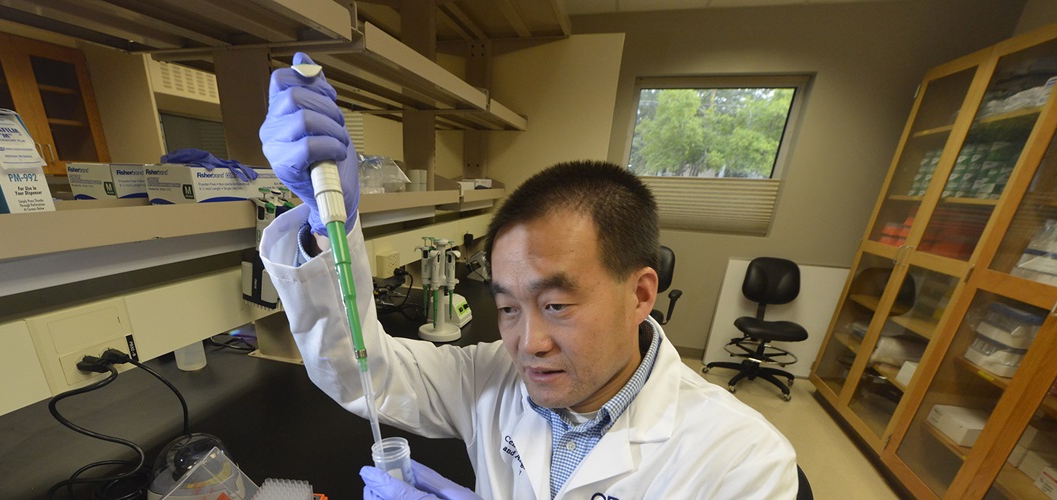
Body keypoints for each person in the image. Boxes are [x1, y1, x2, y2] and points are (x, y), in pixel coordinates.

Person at [259, 52, 799, 499]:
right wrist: (327, 227)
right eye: (509, 308)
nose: (526, 344)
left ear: (639, 294)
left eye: (557, 306)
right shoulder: (489, 378)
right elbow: (360, 373)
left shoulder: (742, 462)